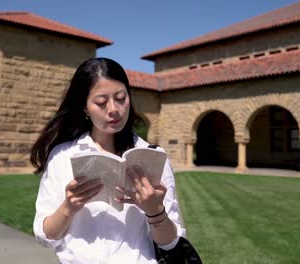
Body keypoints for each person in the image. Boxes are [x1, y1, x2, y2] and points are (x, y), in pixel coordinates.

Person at [30, 57, 186, 263]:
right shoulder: (62, 156)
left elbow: (170, 243)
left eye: (121, 98)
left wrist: (154, 210)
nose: (114, 109)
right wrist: (69, 207)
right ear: (85, 107)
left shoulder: (153, 156)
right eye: (101, 102)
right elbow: (46, 237)